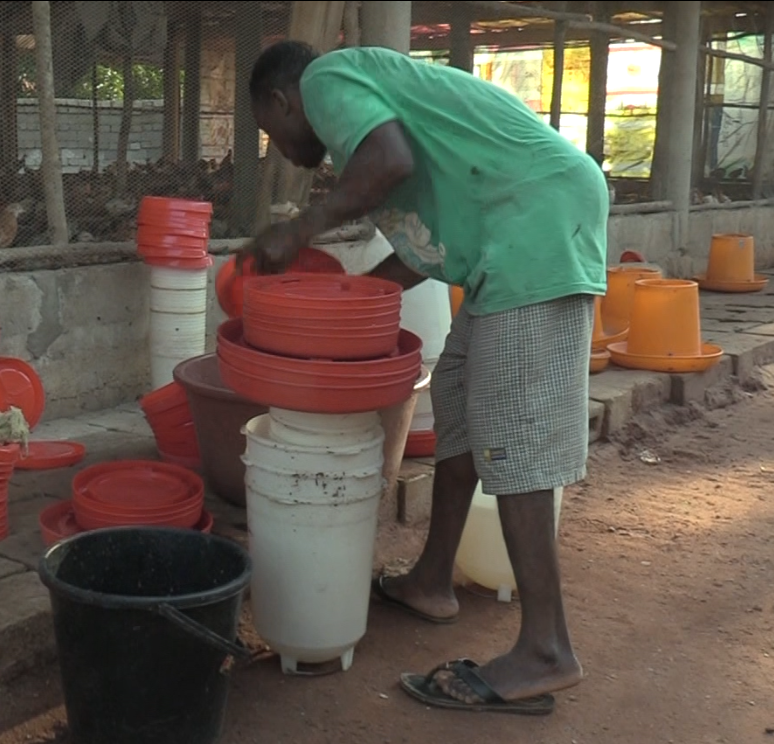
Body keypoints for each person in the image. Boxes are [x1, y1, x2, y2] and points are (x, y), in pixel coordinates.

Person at [243, 40, 608, 716]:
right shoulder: (374, 117)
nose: (284, 152)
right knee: (459, 395)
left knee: (512, 436)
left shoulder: (325, 81)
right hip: (509, 235)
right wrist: (345, 303)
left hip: (538, 223)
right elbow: (423, 251)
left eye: (273, 133)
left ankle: (546, 647)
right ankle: (432, 580)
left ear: (281, 101)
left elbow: (389, 161)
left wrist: (300, 231)